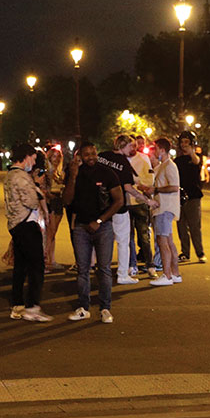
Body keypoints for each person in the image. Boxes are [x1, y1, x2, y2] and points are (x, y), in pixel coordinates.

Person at [62, 142, 124, 323]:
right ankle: (83, 307)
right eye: (86, 154)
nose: (90, 157)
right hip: (80, 227)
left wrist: (100, 220)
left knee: (103, 270)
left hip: (103, 227)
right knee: (83, 269)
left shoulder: (107, 173)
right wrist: (72, 177)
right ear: (79, 156)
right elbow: (67, 200)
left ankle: (105, 308)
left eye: (93, 154)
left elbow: (119, 200)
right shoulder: (75, 173)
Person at [4, 143, 52, 322]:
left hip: (15, 225)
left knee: (20, 267)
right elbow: (31, 201)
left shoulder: (10, 175)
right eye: (32, 158)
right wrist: (36, 186)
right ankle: (32, 307)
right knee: (36, 266)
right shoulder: (22, 177)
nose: (33, 162)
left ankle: (18, 304)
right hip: (27, 225)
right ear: (26, 156)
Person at [98, 135, 151, 285]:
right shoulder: (123, 163)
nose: (133, 149)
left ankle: (102, 272)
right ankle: (122, 274)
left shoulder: (102, 157)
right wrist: (147, 200)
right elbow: (128, 188)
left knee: (102, 241)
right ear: (122, 145)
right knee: (123, 241)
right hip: (118, 207)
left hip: (101, 206)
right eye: (131, 146)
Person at [149, 137, 182, 286]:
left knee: (162, 242)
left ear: (162, 150)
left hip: (165, 208)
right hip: (164, 208)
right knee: (169, 242)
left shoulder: (169, 166)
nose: (154, 151)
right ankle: (175, 274)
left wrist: (156, 189)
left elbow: (174, 187)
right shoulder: (163, 166)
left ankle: (167, 275)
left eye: (155, 148)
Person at [127, 135, 157, 278]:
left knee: (144, 235)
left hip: (140, 202)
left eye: (134, 145)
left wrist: (137, 183)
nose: (133, 148)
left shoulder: (143, 159)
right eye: (130, 145)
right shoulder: (120, 160)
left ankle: (150, 264)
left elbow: (149, 179)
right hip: (125, 202)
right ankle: (132, 264)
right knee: (128, 237)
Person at [175, 131, 206, 263]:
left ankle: (200, 253)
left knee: (194, 226)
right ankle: (185, 252)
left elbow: (196, 161)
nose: (184, 145)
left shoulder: (196, 158)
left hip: (193, 196)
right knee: (181, 226)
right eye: (182, 142)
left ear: (192, 143)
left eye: (187, 142)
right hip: (179, 196)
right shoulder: (177, 160)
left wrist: (191, 151)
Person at [44, 146, 67, 271]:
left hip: (58, 201)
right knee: (50, 232)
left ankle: (51, 260)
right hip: (51, 200)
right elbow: (43, 187)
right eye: (54, 156)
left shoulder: (59, 171)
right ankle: (45, 259)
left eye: (58, 157)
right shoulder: (47, 171)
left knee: (53, 233)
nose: (56, 159)